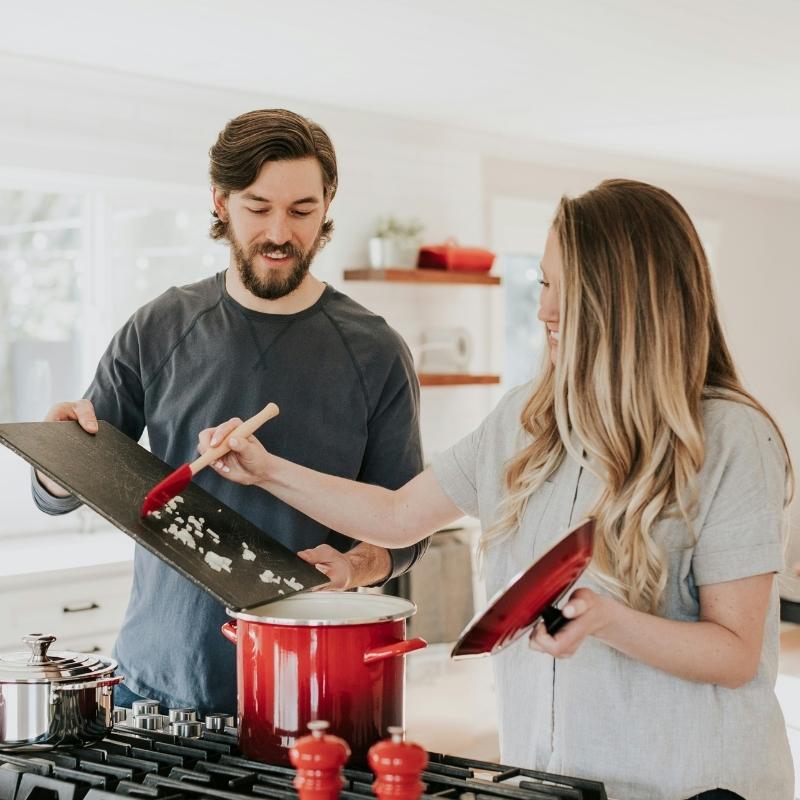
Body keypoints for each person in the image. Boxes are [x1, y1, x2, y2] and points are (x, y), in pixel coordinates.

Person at [199, 179, 795, 800]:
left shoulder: (730, 437)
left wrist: (607, 620)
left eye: (570, 288)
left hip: (695, 786)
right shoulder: (524, 420)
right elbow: (399, 514)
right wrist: (266, 469)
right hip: (548, 780)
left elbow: (735, 654)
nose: (545, 310)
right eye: (543, 282)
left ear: (632, 302)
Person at [32, 108, 428, 715]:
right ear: (220, 201)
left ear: (327, 205)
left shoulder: (375, 352)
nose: (279, 232)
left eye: (301, 210)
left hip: (310, 690)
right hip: (154, 686)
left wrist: (354, 565)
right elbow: (67, 483)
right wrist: (53, 461)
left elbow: (406, 530)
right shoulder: (158, 326)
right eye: (258, 206)